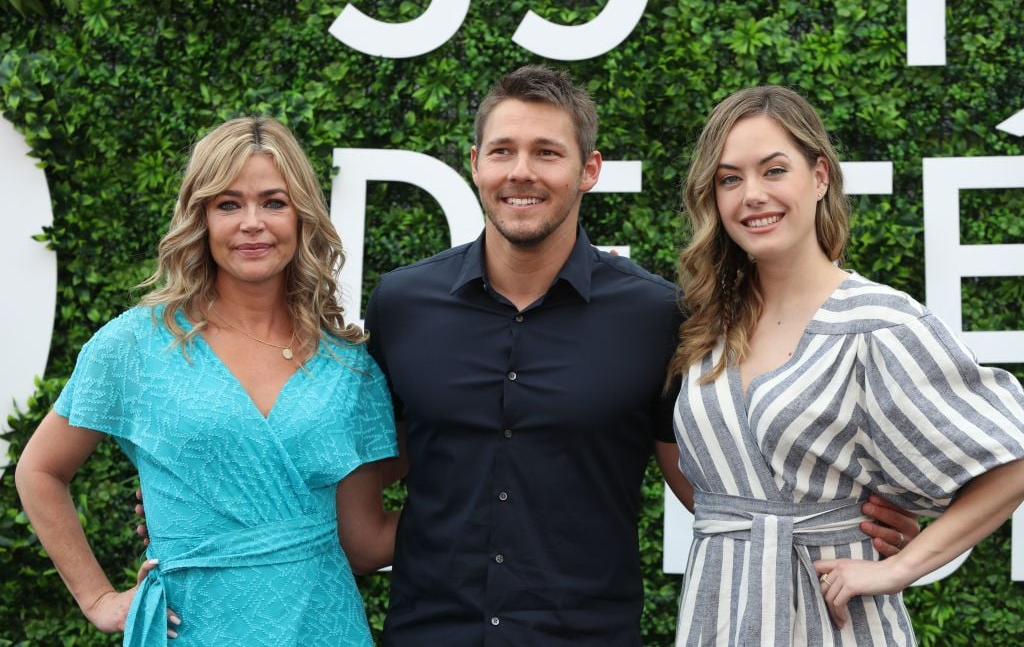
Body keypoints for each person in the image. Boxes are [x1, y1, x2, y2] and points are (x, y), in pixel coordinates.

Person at [365, 66, 920, 645]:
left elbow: (715, 483)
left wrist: (850, 522)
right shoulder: (401, 305)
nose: (521, 171)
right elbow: (365, 463)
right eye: (503, 151)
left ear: (590, 170)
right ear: (476, 163)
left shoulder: (657, 318)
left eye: (547, 152)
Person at [15, 117, 398, 646]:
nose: (252, 223)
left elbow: (364, 542)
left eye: (274, 202)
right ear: (201, 218)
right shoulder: (138, 343)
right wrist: (98, 598)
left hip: (324, 625)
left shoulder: (347, 366)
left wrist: (490, 510)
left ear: (303, 215)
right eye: (228, 204)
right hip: (192, 628)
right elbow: (39, 470)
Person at [668, 84, 1024, 646]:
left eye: (774, 170)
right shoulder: (707, 323)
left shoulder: (878, 321)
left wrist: (899, 568)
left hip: (834, 620)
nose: (752, 195)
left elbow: (1014, 459)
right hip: (719, 614)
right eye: (729, 179)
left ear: (819, 177)